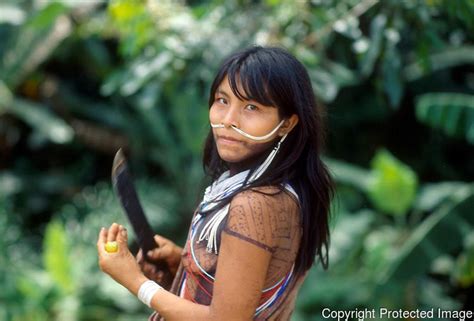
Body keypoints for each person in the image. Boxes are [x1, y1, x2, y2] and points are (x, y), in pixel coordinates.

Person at [97, 46, 335, 321]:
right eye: (222, 100)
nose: (228, 120)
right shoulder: (272, 190)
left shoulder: (256, 204)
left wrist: (136, 282)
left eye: (251, 107)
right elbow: (246, 292)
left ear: (286, 124)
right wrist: (187, 265)